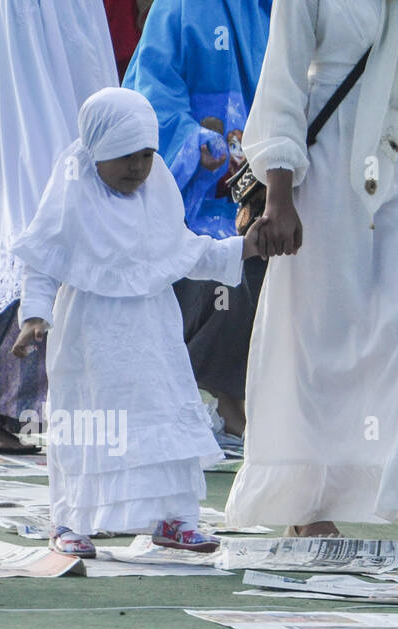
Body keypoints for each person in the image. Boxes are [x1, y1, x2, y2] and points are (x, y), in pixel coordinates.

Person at [225, 0, 398, 555]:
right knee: (323, 334)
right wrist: (279, 195)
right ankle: (310, 507)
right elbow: (282, 79)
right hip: (327, 166)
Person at [10, 88, 267, 557]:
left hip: (153, 335)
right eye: (124, 157)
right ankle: (69, 519)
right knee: (90, 425)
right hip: (90, 337)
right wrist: (34, 316)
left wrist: (242, 248)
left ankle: (175, 519)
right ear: (96, 152)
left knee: (161, 417)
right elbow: (43, 260)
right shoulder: (72, 195)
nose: (138, 167)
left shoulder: (157, 195)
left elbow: (188, 251)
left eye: (147, 155)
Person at [0, 0, 117, 453]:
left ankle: (10, 410)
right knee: (24, 239)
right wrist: (61, 146)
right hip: (37, 125)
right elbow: (30, 66)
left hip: (73, 122)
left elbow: (88, 52)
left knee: (43, 242)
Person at [125, 0, 272, 445]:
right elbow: (151, 91)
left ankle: (241, 399)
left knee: (276, 251)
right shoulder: (177, 8)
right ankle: (223, 401)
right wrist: (194, 141)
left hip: (264, 179)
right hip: (193, 188)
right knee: (226, 263)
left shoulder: (278, 10)